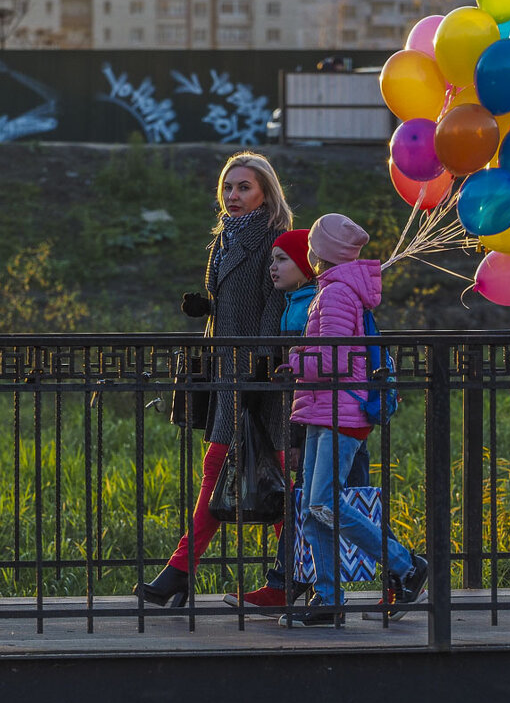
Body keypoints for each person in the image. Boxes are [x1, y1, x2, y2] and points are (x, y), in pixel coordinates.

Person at [134, 151, 293, 608]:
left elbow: (274, 304)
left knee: (248, 472)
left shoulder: (273, 238)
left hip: (256, 376)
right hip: (227, 368)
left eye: (244, 187)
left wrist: (262, 364)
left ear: (266, 192)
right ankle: (287, 577)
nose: (233, 196)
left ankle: (181, 573)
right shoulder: (224, 237)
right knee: (262, 475)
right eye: (228, 187)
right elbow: (236, 299)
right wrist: (208, 310)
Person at [276, 213, 428, 628]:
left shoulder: (337, 294)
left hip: (341, 410)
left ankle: (406, 564)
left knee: (323, 501)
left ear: (320, 252)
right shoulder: (333, 291)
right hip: (324, 408)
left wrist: (293, 361)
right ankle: (328, 596)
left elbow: (336, 358)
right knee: (312, 508)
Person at [221, 228, 374, 614]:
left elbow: (330, 363)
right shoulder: (302, 302)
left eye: (283, 258)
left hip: (334, 414)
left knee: (333, 502)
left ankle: (400, 574)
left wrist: (292, 367)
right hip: (318, 414)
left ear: (311, 260)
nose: (273, 267)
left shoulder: (321, 301)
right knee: (317, 503)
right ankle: (303, 587)